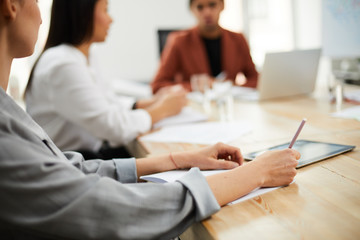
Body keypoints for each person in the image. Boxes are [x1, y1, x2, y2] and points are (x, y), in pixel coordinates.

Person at [0, 0, 300, 239]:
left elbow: (69, 168)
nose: (42, 16)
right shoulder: (61, 64)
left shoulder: (12, 106)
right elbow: (108, 208)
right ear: (10, 5)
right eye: (37, 0)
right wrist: (254, 174)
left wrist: (176, 158)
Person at [24, 0, 187, 160]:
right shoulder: (62, 63)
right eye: (105, 10)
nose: (111, 19)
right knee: (171, 160)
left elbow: (107, 103)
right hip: (74, 162)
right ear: (84, 13)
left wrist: (151, 102)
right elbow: (113, 128)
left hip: (86, 154)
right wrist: (162, 109)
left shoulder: (84, 55)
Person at [151, 0, 259, 94]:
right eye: (200, 7)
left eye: (212, 5)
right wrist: (196, 86)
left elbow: (256, 79)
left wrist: (227, 87)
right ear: (192, 10)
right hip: (194, 108)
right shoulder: (179, 41)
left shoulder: (238, 39)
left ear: (222, 6)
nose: (207, 12)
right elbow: (157, 85)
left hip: (231, 106)